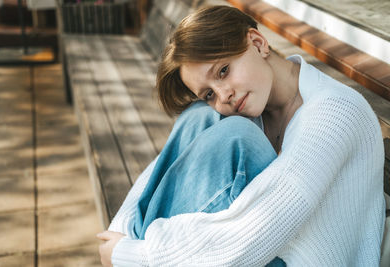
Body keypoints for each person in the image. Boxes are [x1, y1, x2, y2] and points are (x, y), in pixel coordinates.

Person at [97, 5, 386, 266]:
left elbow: (248, 240)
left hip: (297, 257)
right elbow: (158, 170)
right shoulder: (244, 106)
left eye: (223, 71)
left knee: (234, 132)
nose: (224, 95)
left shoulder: (334, 112)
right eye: (209, 92)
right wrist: (121, 232)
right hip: (263, 247)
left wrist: (133, 254)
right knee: (197, 115)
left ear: (258, 43)